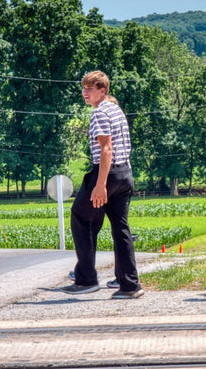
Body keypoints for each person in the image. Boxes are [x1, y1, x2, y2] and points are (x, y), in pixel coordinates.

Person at [61, 70, 144, 299]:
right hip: (125, 172)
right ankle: (130, 285)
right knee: (121, 228)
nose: (85, 92)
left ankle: (86, 279)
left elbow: (106, 150)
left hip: (108, 173)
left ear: (102, 91)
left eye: (90, 89)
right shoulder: (115, 109)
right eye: (84, 88)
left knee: (80, 216)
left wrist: (100, 185)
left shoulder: (99, 114)